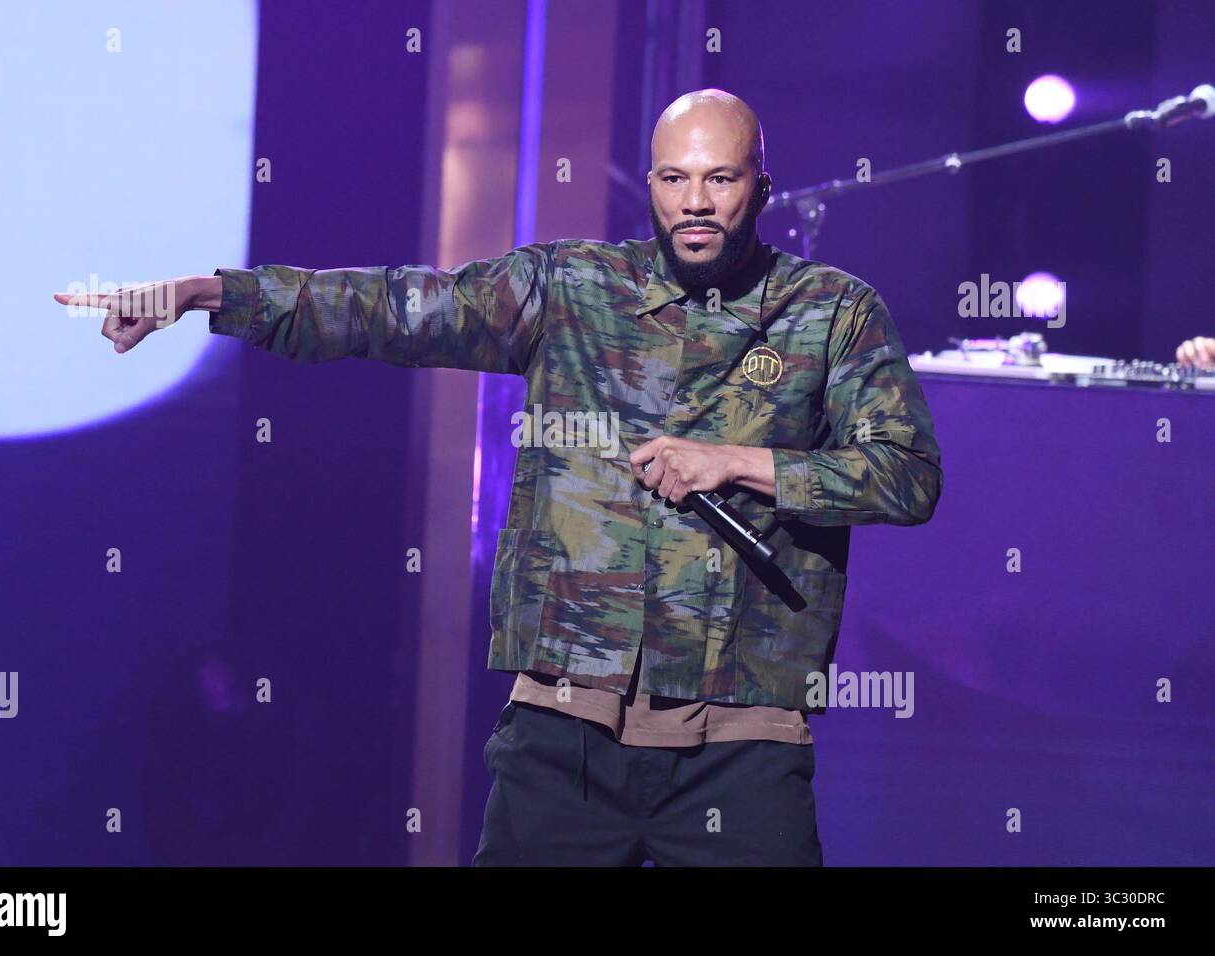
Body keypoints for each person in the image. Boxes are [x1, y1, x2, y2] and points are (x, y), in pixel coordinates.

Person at [55, 89, 942, 866]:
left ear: (762, 188)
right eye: (674, 179)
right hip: (563, 735)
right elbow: (393, 308)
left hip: (741, 739)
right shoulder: (569, 288)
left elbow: (907, 477)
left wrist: (742, 463)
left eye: (720, 179)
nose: (696, 202)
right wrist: (206, 293)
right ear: (652, 186)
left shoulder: (832, 311)